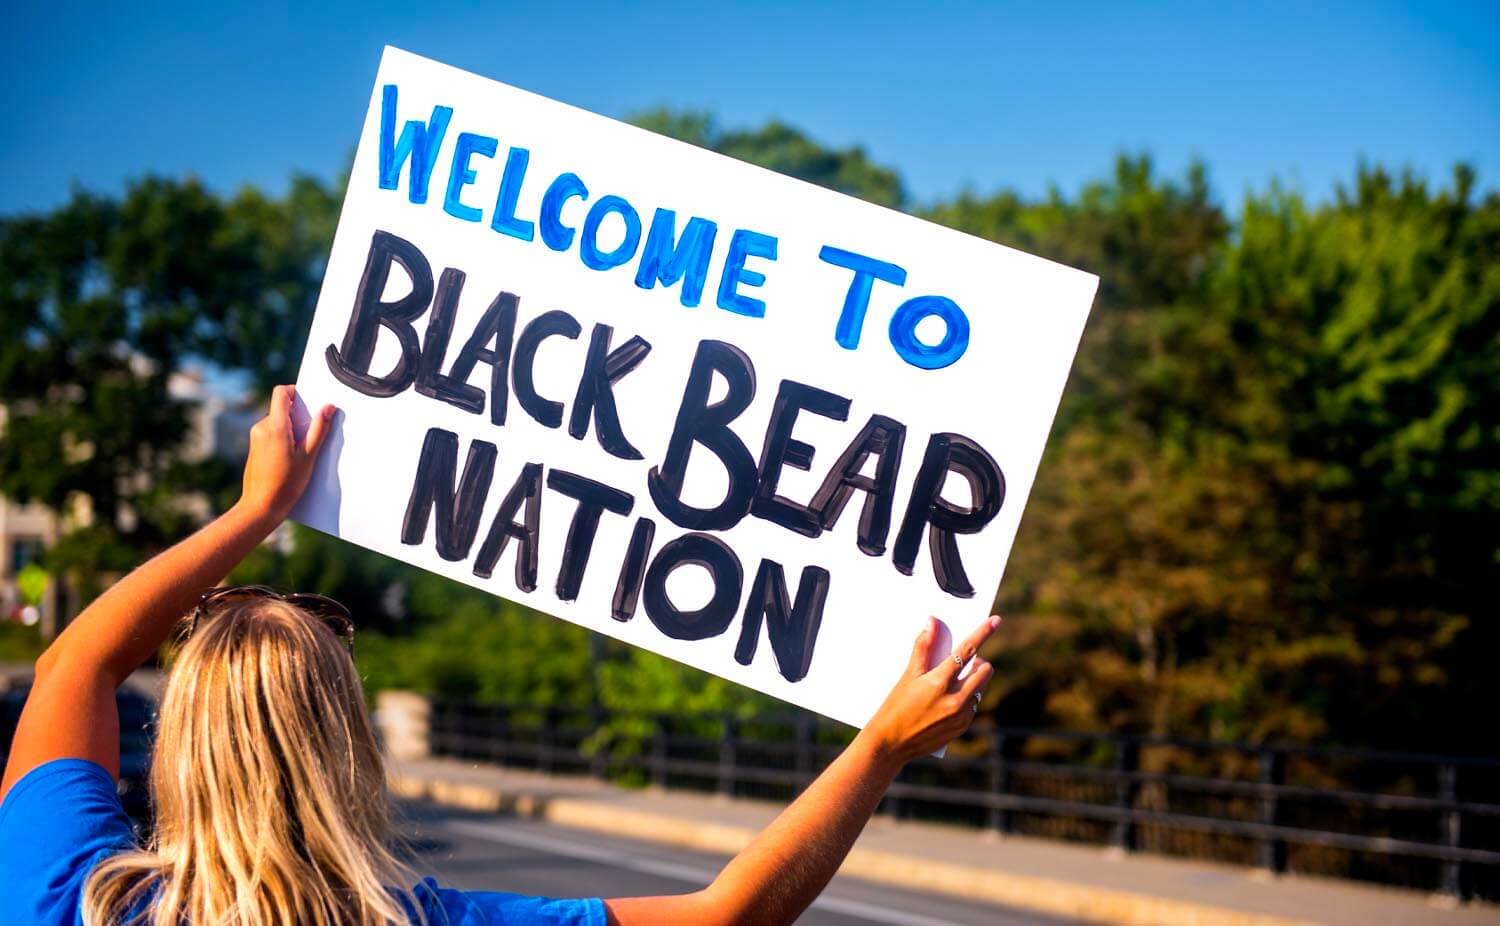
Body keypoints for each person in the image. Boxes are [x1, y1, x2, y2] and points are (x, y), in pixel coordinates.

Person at [0, 386, 998, 926]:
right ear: (345, 738)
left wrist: (253, 512)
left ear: (179, 740)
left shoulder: (72, 891)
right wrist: (881, 748)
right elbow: (727, 914)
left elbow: (73, 669)